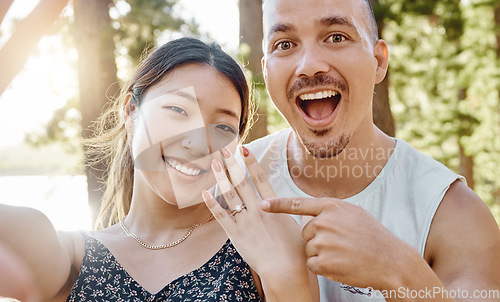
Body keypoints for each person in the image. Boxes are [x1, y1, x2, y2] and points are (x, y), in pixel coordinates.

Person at [0, 37, 317, 301]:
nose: (197, 143)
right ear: (131, 111)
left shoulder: (263, 241)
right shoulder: (71, 256)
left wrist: (284, 276)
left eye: (222, 127)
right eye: (178, 110)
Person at [226, 0, 500, 301]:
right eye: (285, 44)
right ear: (266, 70)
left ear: (379, 61)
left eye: (336, 37)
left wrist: (399, 270)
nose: (309, 65)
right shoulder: (230, 188)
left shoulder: (453, 214)